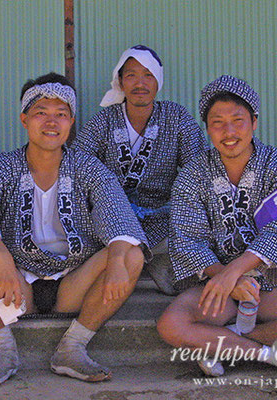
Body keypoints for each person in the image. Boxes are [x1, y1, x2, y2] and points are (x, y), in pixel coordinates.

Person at [0, 72, 149, 387]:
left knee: (130, 254)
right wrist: (2, 259)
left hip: (74, 285)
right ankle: (3, 350)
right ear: (24, 120)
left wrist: (116, 260)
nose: (51, 122)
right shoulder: (0, 167)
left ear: (71, 123)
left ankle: (72, 347)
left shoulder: (88, 168)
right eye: (41, 113)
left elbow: (118, 215)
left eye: (61, 114)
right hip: (17, 289)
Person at [157, 75, 277, 377]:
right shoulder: (193, 173)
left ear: (254, 122)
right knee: (172, 324)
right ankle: (272, 356)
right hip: (215, 284)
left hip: (266, 285)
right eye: (217, 122)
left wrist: (236, 273)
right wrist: (226, 279)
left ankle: (226, 342)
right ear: (207, 127)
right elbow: (186, 241)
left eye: (238, 120)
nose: (229, 131)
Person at [73, 45, 207, 295]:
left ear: (158, 81)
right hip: (113, 218)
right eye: (131, 75)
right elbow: (77, 164)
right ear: (121, 81)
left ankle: (157, 257)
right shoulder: (104, 120)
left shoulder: (176, 117)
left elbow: (196, 169)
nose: (140, 83)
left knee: (202, 213)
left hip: (162, 217)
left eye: (148, 74)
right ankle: (130, 258)